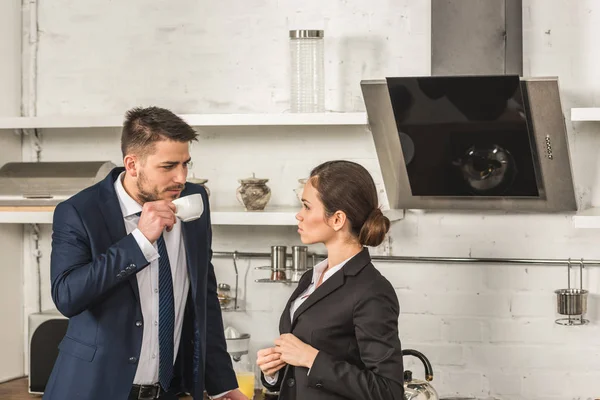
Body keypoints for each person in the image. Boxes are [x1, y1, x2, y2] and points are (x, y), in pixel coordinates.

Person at [44, 107, 248, 400]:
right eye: (168, 167)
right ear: (132, 164)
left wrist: (221, 383)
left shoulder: (194, 199)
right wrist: (139, 241)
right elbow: (67, 296)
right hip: (92, 390)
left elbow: (203, 296)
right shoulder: (78, 212)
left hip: (167, 392)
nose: (181, 177)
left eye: (185, 164)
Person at [256, 160, 405, 400]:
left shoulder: (372, 290)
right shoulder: (310, 278)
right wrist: (272, 373)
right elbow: (301, 376)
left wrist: (311, 358)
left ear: (337, 219)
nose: (299, 215)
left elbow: (388, 391)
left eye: (306, 207)